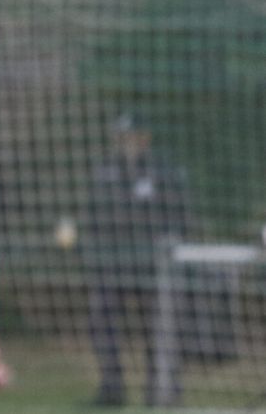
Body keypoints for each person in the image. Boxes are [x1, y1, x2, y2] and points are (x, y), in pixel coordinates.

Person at [84, 112, 190, 407]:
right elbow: (92, 216)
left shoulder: (163, 172)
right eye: (123, 138)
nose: (128, 143)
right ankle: (112, 388)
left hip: (153, 267)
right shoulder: (105, 172)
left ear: (145, 139)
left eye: (133, 137)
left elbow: (180, 216)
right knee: (101, 323)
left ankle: (160, 390)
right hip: (113, 265)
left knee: (157, 329)